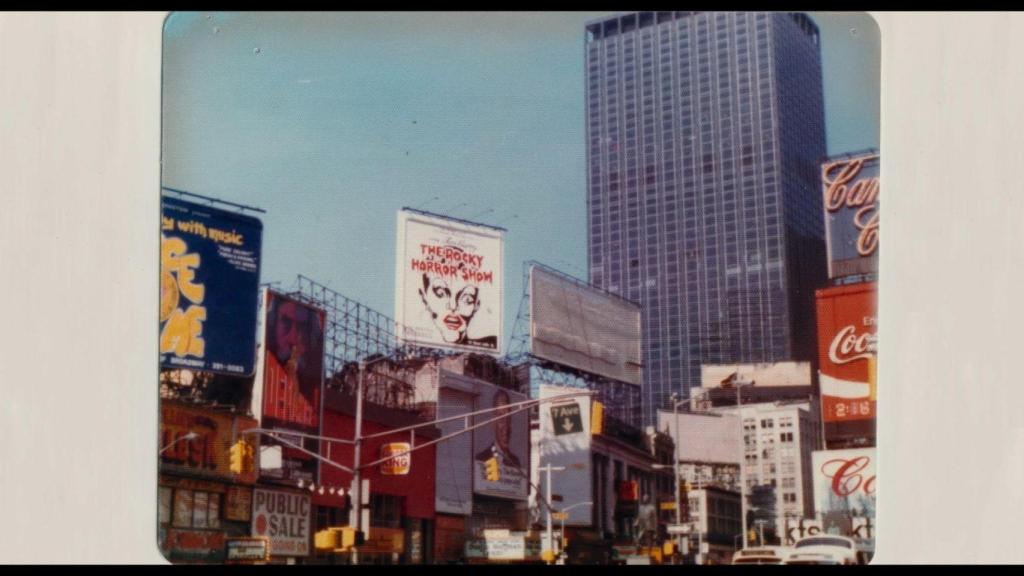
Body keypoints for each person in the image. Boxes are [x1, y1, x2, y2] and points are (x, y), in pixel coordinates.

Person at [418, 272, 497, 349]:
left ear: (476, 306)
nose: (453, 307)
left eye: (467, 299)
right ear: (424, 297)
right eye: (441, 293)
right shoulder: (416, 341)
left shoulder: (490, 344)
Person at [475, 389, 522, 469]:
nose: (506, 427)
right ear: (493, 421)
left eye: (508, 419)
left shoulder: (515, 462)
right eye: (501, 419)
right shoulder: (481, 458)